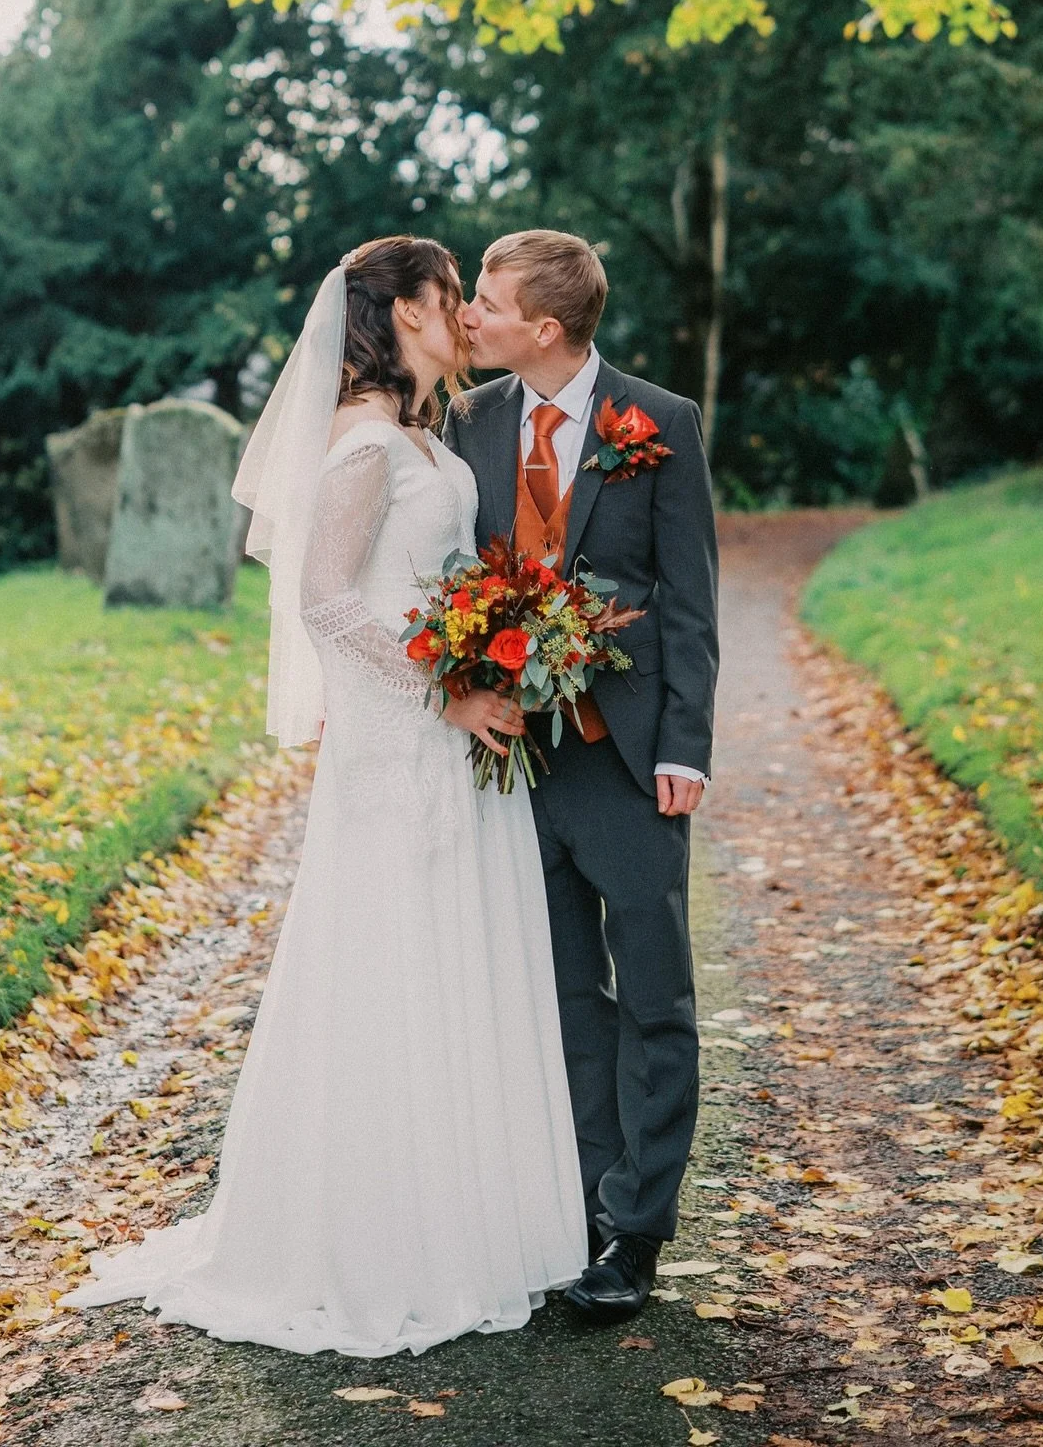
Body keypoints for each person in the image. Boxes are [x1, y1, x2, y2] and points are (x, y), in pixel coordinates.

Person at [61, 235, 586, 1356]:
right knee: (389, 966)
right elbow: (325, 602)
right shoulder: (361, 443)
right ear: (403, 311)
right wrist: (449, 688)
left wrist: (494, 655)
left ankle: (470, 1218)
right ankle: (375, 1241)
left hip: (452, 738)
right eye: (452, 298)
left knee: (456, 962)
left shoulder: (418, 434)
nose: (463, 316)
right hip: (404, 744)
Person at [444, 228, 719, 1323]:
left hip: (632, 755)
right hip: (512, 761)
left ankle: (640, 1233)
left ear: (545, 328)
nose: (471, 313)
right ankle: (587, 1210)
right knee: (562, 994)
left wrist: (686, 745)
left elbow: (691, 598)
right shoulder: (470, 423)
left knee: (653, 992)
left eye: (490, 302)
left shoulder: (659, 424)